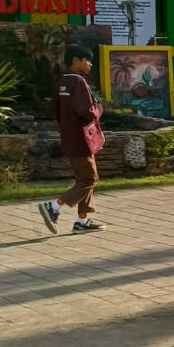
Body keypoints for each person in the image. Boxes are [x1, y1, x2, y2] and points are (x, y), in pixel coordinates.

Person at [39, 44, 107, 235]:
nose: (90, 64)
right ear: (75, 60)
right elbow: (86, 112)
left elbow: (54, 109)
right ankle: (53, 207)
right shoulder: (78, 82)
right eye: (87, 60)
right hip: (82, 139)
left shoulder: (62, 82)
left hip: (70, 137)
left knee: (84, 179)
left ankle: (82, 222)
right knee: (89, 179)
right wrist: (99, 109)